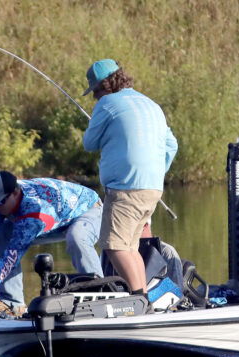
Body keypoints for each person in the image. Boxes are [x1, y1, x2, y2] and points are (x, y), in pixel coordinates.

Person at [82, 59, 178, 297]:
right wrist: (155, 173)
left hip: (125, 188)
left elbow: (89, 143)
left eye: (94, 91)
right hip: (153, 189)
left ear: (103, 87)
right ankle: (142, 298)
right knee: (130, 247)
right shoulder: (151, 104)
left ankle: (139, 300)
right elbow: (171, 145)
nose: (95, 97)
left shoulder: (106, 103)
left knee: (113, 247)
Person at [0, 171, 103, 317]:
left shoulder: (34, 212)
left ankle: (100, 293)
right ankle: (11, 301)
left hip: (88, 210)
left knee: (76, 236)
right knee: (1, 230)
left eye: (1, 202)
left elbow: (9, 259)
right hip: (55, 219)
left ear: (16, 193)